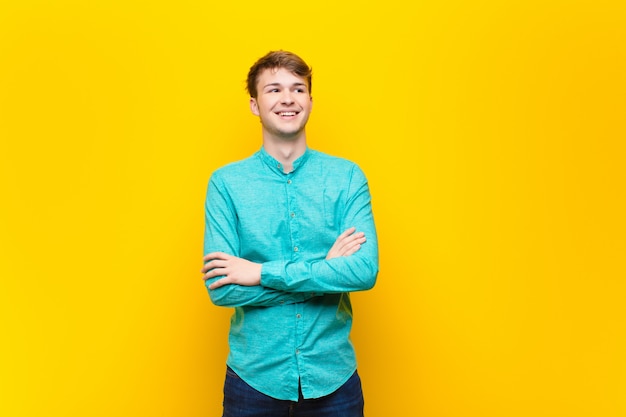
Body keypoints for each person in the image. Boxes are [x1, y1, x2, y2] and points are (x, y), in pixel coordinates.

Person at [201, 50, 379, 417]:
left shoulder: (346, 178)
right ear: (255, 104)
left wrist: (260, 272)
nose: (287, 99)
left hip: (334, 377)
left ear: (310, 101)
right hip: (253, 379)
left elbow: (364, 272)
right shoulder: (226, 184)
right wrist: (325, 271)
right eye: (274, 90)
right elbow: (223, 289)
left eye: (298, 89)